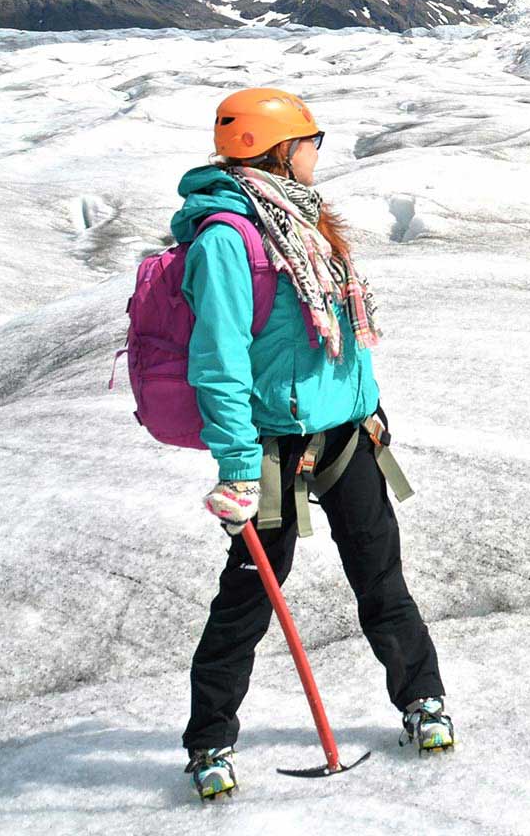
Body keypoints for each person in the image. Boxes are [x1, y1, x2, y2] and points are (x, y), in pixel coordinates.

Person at [173, 87, 453, 800]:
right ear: (276, 147)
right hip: (271, 450)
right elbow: (219, 363)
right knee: (249, 596)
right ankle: (209, 741)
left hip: (346, 435)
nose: (316, 152)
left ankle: (422, 701)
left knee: (381, 577)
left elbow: (341, 336)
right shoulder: (227, 239)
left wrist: (371, 405)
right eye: (310, 140)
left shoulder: (306, 222)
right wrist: (236, 467)